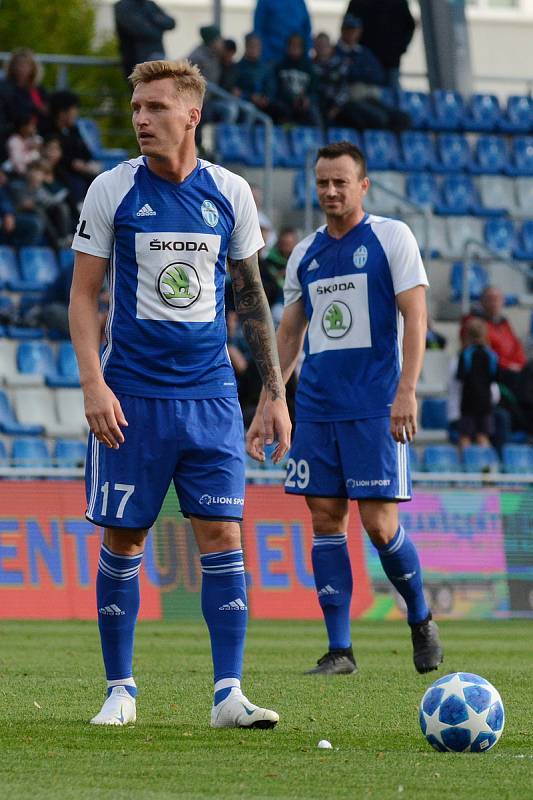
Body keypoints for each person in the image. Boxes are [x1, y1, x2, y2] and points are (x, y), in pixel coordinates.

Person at [69, 59, 291, 728]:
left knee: (223, 533)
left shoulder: (229, 192)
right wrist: (92, 383)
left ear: (190, 115)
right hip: (131, 397)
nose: (141, 118)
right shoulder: (112, 190)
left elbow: (251, 299)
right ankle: (120, 690)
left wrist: (273, 396)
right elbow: (82, 299)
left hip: (213, 398)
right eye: (137, 106)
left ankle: (228, 693)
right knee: (125, 540)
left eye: (156, 107)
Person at [247, 141, 443, 676]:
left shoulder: (391, 237)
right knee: (325, 518)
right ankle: (340, 650)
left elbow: (417, 317)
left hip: (375, 407)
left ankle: (421, 618)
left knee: (380, 526)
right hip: (317, 408)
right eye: (322, 183)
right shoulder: (305, 254)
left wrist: (407, 391)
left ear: (363, 185)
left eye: (340, 182)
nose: (330, 191)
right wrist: (271, 399)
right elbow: (289, 334)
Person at [345, 0, 415, 89]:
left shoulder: (399, 2)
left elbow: (409, 26)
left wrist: (400, 48)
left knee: (392, 96)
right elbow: (348, 27)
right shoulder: (358, 2)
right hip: (364, 62)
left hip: (390, 62)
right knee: (365, 96)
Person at [456, 318, 499, 449]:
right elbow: (495, 377)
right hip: (485, 401)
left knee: (465, 436)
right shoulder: (491, 355)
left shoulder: (466, 354)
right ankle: (483, 464)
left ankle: (465, 464)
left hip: (468, 400)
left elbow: (460, 376)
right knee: (483, 436)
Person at [462, 286, 526, 372]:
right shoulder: (474, 323)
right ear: (482, 301)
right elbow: (482, 353)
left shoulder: (504, 323)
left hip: (513, 369)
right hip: (491, 370)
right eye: (490, 298)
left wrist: (520, 364)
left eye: (497, 298)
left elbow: (516, 347)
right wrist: (507, 365)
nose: (494, 302)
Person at [114, 0, 176, 79]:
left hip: (158, 57)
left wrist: (152, 20)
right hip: (135, 61)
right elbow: (141, 30)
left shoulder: (149, 4)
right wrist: (157, 23)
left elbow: (171, 23)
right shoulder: (123, 6)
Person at [273, 34, 321, 127]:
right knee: (280, 110)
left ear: (302, 48)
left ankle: (319, 138)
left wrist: (308, 99)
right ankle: (285, 137)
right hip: (285, 103)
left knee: (314, 112)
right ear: (287, 47)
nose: (294, 49)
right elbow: (276, 89)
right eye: (292, 46)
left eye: (297, 46)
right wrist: (291, 99)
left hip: (304, 104)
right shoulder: (279, 66)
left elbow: (314, 90)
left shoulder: (309, 68)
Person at [253, 0, 312, 66]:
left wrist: (305, 55)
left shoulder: (299, 2)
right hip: (272, 59)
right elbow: (258, 30)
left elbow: (307, 30)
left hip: (296, 60)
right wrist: (266, 56)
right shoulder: (265, 2)